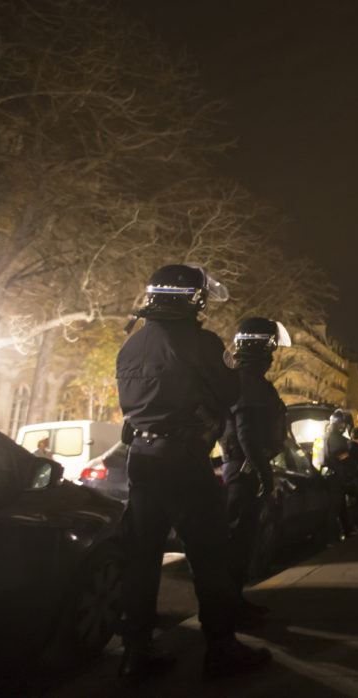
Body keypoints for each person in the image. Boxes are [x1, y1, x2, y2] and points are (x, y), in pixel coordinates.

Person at [115, 264, 271, 679]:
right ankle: (220, 647)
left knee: (142, 559)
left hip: (142, 461)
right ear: (193, 299)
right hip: (184, 459)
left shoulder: (131, 345)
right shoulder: (202, 343)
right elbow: (229, 391)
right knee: (209, 557)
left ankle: (135, 653)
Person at [218, 317, 291, 613]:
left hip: (241, 467)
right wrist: (262, 471)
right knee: (238, 540)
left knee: (239, 539)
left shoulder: (241, 378)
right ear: (265, 348)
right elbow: (246, 432)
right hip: (244, 469)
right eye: (272, 349)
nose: (273, 357)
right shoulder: (249, 382)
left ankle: (231, 601)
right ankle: (229, 606)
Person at [325, 408, 357, 536]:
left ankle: (346, 529)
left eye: (344, 424)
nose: (343, 427)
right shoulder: (335, 438)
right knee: (336, 506)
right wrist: (352, 461)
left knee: (341, 505)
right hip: (336, 476)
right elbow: (341, 456)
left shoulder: (333, 437)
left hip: (337, 475)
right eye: (341, 424)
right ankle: (329, 536)